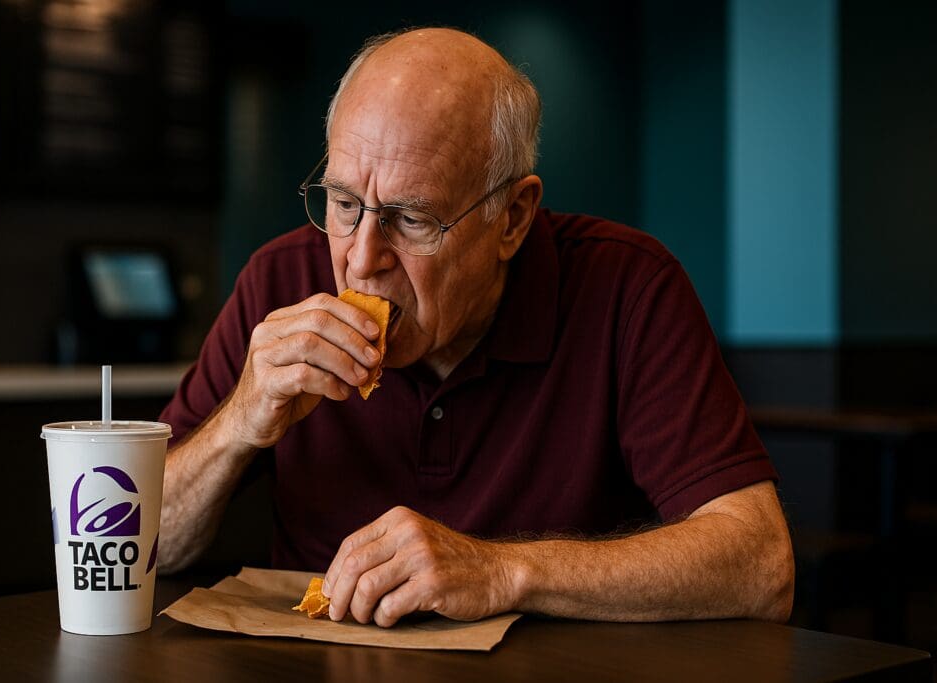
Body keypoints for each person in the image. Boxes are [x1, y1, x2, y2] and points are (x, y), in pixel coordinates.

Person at [158, 26, 794, 628]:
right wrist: (238, 424)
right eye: (345, 204)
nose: (359, 257)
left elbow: (761, 566)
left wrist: (503, 571)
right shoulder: (279, 280)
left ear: (512, 219)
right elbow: (137, 541)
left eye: (410, 219)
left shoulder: (628, 288)